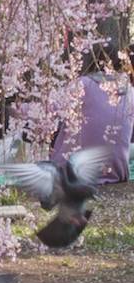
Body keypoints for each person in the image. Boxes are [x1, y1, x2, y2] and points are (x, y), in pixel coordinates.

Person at [51, 40, 134, 183]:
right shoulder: (129, 91)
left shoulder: (83, 84)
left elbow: (50, 111)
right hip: (117, 171)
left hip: (73, 172)